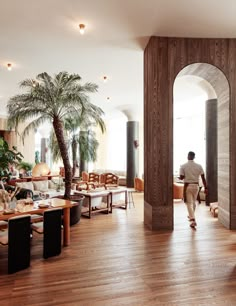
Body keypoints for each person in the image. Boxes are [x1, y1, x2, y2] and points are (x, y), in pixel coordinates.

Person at [179, 151, 207, 228]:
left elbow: (181, 177)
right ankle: (191, 215)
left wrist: (180, 177)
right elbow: (203, 178)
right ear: (194, 157)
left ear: (188, 156)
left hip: (188, 186)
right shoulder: (199, 166)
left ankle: (193, 220)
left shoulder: (183, 166)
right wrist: (206, 187)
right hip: (196, 186)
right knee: (193, 202)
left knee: (188, 203)